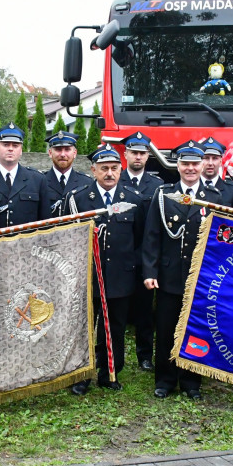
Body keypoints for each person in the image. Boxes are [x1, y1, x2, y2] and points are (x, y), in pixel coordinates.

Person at [142, 141, 222, 400]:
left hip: (201, 277)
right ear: (178, 166)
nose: (190, 168)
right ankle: (165, 380)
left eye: (195, 163)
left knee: (195, 329)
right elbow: (152, 235)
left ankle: (191, 382)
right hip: (169, 275)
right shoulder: (164, 195)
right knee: (166, 328)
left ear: (202, 165)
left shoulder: (214, 198)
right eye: (185, 163)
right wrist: (150, 271)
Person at [66, 144, 144, 394]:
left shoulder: (133, 199)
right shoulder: (78, 198)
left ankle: (110, 372)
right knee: (84, 327)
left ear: (121, 170)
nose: (109, 173)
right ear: (93, 170)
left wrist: (133, 268)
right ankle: (81, 375)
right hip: (86, 276)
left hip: (120, 276)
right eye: (103, 169)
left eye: (114, 168)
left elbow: (140, 239)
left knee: (115, 327)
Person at [121, 132, 163, 372]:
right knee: (117, 309)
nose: (138, 156)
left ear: (148, 156)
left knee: (146, 312)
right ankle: (109, 352)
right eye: (134, 152)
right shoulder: (115, 179)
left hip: (145, 258)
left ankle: (144, 356)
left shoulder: (157, 186)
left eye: (142, 153)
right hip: (120, 257)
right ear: (125, 154)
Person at [0, 122, 48, 227]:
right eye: (6, 144)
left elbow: (45, 221)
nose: (10, 148)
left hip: (28, 241)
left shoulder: (37, 180)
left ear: (21, 150)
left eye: (15, 145)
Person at [42, 131, 93, 216]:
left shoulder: (87, 183)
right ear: (50, 153)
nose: (62, 154)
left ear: (75, 153)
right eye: (58, 149)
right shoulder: (40, 181)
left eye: (67, 149)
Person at [199, 137, 233, 209]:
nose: (210, 163)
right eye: (206, 158)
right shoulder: (190, 188)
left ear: (221, 161)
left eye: (215, 158)